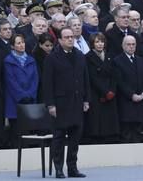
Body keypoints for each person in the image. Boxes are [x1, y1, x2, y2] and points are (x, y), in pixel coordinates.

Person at [42, 26, 89, 179]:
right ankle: (59, 168)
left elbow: (85, 80)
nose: (70, 39)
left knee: (75, 138)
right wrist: (50, 104)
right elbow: (47, 83)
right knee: (59, 138)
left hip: (77, 102)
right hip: (60, 104)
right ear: (60, 40)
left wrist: (86, 99)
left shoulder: (80, 55)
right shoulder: (52, 58)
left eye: (72, 37)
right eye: (67, 37)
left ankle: (72, 168)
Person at [84, 33, 119, 142]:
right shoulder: (88, 57)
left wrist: (112, 90)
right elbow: (92, 77)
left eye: (102, 42)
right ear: (92, 44)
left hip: (110, 94)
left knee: (110, 123)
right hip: (97, 95)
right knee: (98, 123)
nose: (100, 44)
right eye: (97, 42)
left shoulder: (109, 56)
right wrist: (105, 92)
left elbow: (114, 75)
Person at [3, 34, 38, 133]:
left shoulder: (31, 60)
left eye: (23, 42)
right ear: (12, 46)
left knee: (29, 132)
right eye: (18, 43)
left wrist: (30, 94)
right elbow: (11, 81)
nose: (22, 45)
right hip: (15, 101)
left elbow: (35, 80)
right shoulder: (8, 61)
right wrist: (22, 95)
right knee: (17, 131)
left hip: (30, 101)